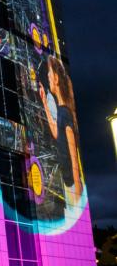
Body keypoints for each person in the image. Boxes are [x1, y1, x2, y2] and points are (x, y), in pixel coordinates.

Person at [38, 55, 83, 207]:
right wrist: (45, 104)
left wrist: (78, 198)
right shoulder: (62, 111)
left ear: (56, 79)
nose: (48, 76)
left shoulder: (66, 114)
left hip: (73, 186)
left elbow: (74, 160)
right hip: (68, 184)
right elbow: (56, 134)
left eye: (50, 72)